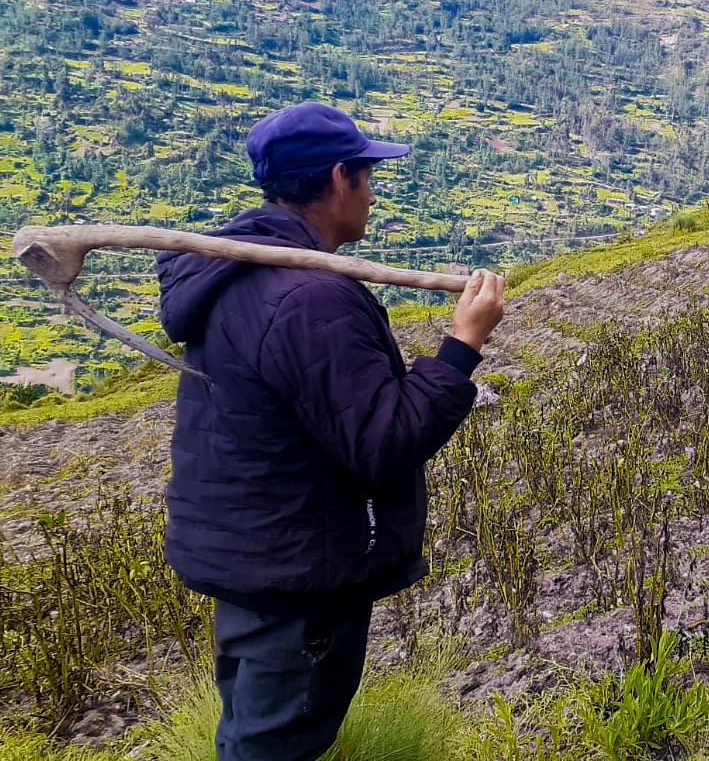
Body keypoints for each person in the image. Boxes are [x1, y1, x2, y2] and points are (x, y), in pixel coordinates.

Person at [155, 101, 505, 761]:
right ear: (340, 178)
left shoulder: (243, 272)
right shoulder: (308, 298)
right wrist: (463, 344)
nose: (372, 193)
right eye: (368, 176)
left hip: (257, 560)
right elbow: (384, 444)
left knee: (252, 736)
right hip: (299, 579)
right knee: (276, 747)